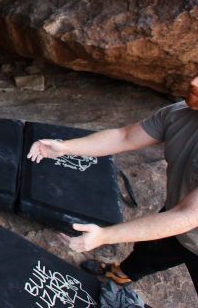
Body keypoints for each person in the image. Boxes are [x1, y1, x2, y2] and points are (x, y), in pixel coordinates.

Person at [27, 74, 198, 292]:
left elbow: (187, 216)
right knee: (150, 250)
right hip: (174, 219)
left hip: (186, 224)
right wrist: (65, 148)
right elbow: (125, 136)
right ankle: (121, 274)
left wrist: (105, 236)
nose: (194, 82)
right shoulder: (180, 113)